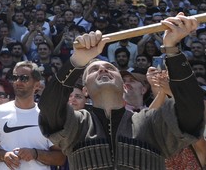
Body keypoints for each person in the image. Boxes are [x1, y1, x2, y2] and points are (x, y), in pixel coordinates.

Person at [39, 13, 205, 169]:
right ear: (85, 90)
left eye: (110, 68)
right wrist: (76, 61)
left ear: (123, 85)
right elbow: (49, 108)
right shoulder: (76, 125)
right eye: (93, 70)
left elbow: (192, 113)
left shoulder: (151, 123)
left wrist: (172, 49)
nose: (103, 70)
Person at [0, 61, 65, 169]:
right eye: (15, 78)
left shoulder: (49, 116)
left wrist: (35, 154)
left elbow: (60, 158)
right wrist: (3, 155)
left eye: (24, 78)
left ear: (36, 84)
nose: (18, 82)